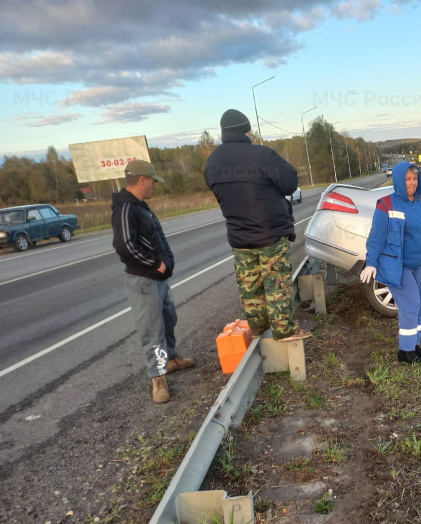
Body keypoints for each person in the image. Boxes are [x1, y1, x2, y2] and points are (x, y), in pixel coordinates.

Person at [204, 109, 311, 343]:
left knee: (250, 287)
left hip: (240, 237)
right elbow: (290, 183)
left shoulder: (213, 161)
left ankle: (259, 329)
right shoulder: (262, 155)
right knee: (276, 285)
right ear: (247, 130)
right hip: (270, 234)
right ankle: (284, 330)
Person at [111, 160, 195, 404]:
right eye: (153, 181)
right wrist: (155, 264)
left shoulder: (140, 206)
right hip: (144, 281)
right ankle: (157, 377)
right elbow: (124, 246)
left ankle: (170, 359)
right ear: (142, 180)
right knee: (152, 331)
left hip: (159, 280)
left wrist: (164, 266)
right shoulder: (126, 208)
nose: (155, 186)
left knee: (168, 319)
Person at [360, 162, 421, 364]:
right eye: (407, 179)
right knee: (411, 305)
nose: (412, 183)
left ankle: (414, 345)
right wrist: (371, 262)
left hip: (420, 265)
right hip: (399, 267)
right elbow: (376, 237)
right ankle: (404, 352)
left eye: (415, 179)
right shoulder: (386, 204)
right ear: (398, 180)